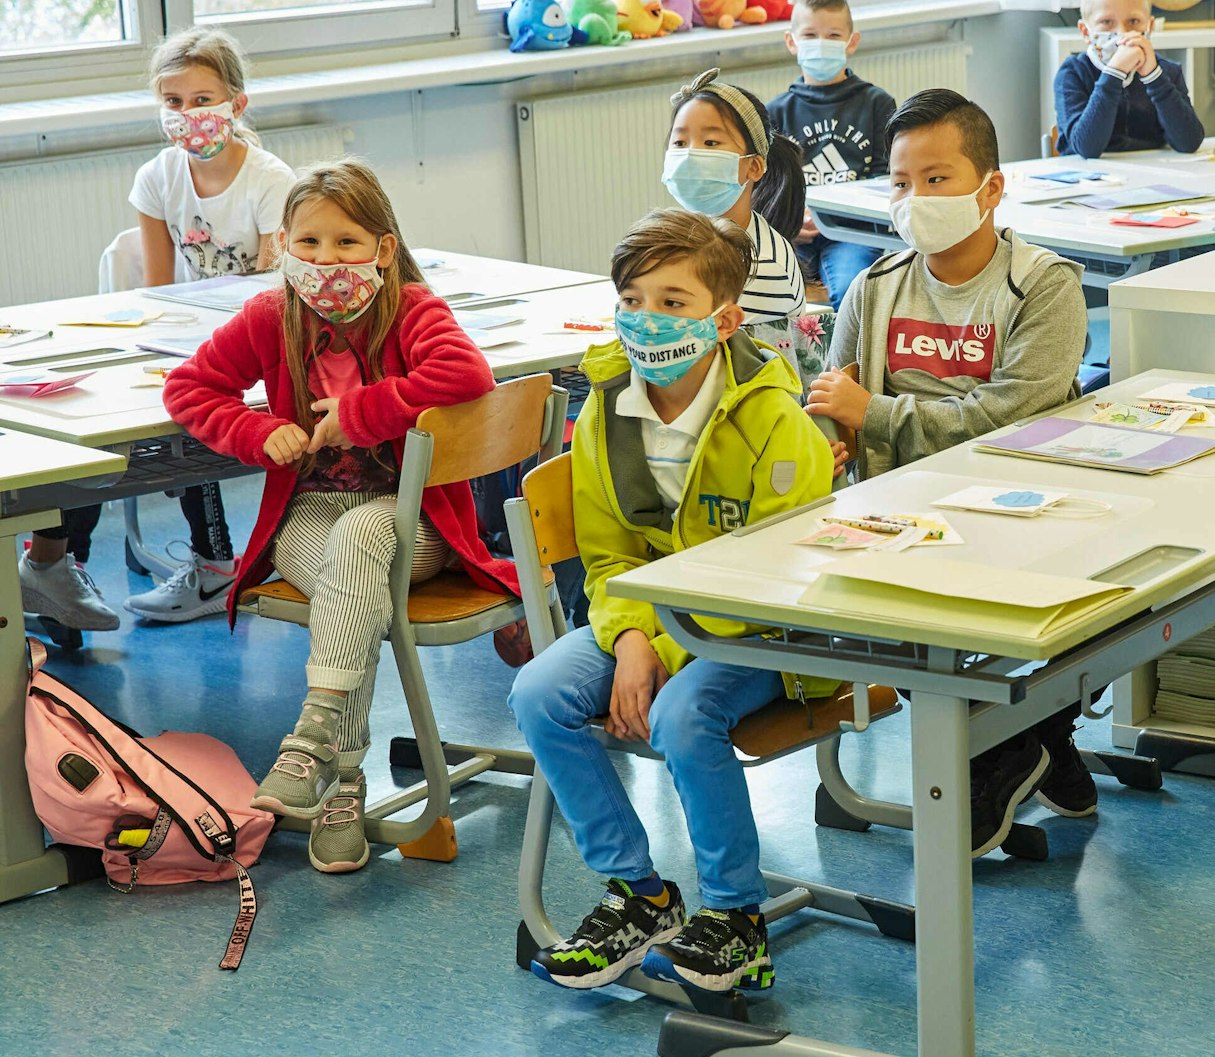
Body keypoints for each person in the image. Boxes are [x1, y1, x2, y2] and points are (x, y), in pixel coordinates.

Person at [162, 160, 519, 874]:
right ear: (285, 247)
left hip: (411, 521)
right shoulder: (271, 316)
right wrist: (257, 431)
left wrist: (359, 413)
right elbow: (189, 386)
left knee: (360, 537)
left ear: (384, 249)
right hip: (311, 514)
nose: (327, 261)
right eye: (310, 243)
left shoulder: (412, 307)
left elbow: (465, 375)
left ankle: (316, 744)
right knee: (344, 571)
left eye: (348, 243)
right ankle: (340, 771)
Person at [511, 208, 833, 994]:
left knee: (685, 714)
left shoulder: (773, 420)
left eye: (674, 301)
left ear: (723, 320)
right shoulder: (604, 408)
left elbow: (776, 574)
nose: (648, 319)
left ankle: (736, 919)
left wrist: (660, 649)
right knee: (539, 692)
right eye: (633, 299)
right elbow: (608, 552)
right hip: (649, 619)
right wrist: (630, 640)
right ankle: (641, 895)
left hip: (765, 628)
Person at [805, 89, 1091, 857]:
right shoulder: (875, 285)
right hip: (894, 509)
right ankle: (1026, 740)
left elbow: (1011, 418)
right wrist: (828, 434)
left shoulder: (1045, 284)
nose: (916, 199)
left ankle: (1011, 741)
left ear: (990, 187)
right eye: (901, 183)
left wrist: (877, 415)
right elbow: (835, 399)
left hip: (1016, 506)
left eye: (937, 179)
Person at [20, 27, 295, 633]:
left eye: (202, 100)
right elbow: (157, 289)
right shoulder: (157, 178)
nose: (188, 115)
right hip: (189, 338)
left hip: (260, 344)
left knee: (195, 406)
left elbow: (274, 291)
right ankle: (59, 564)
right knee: (97, 424)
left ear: (236, 105)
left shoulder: (271, 182)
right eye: (173, 102)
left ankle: (203, 560)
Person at [666, 69, 821, 379]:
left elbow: (734, 375)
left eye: (710, 142)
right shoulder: (688, 236)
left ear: (753, 166)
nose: (690, 156)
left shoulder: (760, 265)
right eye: (680, 142)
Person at [765, 0, 896, 313]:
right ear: (791, 42)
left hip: (853, 232)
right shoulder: (776, 112)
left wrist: (841, 218)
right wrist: (790, 221)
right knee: (764, 284)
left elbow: (886, 177)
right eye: (809, 35)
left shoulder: (877, 103)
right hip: (796, 233)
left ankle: (846, 362)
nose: (821, 44)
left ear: (852, 43)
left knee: (853, 289)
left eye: (833, 35)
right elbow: (771, 185)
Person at [1052, 0, 1204, 158]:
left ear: (1149, 27)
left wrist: (1153, 77)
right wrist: (1114, 72)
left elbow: (1189, 142)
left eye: (1133, 21)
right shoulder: (1072, 73)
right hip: (1089, 177)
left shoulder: (1166, 72)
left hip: (1151, 173)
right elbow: (1086, 148)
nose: (1122, 34)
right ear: (1085, 32)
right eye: (1106, 22)